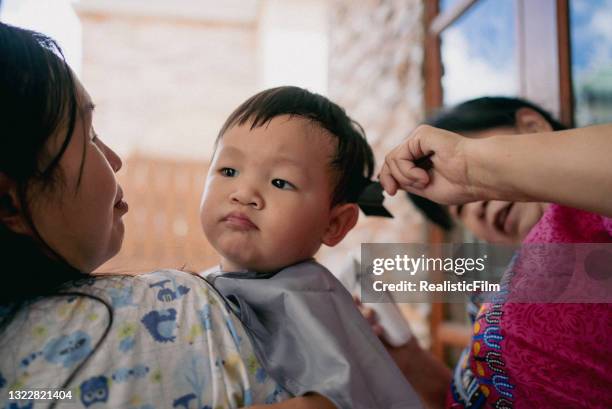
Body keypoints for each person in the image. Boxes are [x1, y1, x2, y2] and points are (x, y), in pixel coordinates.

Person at [0, 23, 334, 409]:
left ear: (336, 222)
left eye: (280, 181)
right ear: (9, 203)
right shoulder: (184, 313)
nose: (115, 159)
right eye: (89, 136)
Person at [374, 98, 612, 408]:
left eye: (470, 184)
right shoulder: (500, 288)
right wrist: (405, 358)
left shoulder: (591, 212)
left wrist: (471, 165)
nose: (478, 207)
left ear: (532, 126)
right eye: (460, 207)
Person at [199, 86, 421, 409]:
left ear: (333, 225)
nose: (244, 193)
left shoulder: (306, 297)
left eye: (280, 182)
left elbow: (332, 401)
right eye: (228, 171)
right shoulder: (201, 286)